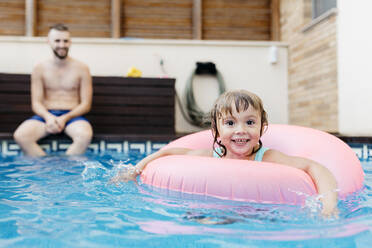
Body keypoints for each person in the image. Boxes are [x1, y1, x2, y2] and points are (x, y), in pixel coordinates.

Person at [113, 90, 338, 217]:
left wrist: (329, 207)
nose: (241, 130)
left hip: (258, 214)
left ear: (262, 127)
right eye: (230, 123)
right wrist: (135, 170)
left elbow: (315, 167)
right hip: (216, 210)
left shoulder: (266, 158)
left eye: (250, 122)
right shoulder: (214, 156)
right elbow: (169, 152)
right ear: (216, 130)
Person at [13, 23, 93, 156]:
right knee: (21, 136)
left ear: (70, 42)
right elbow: (36, 103)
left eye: (65, 41)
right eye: (57, 41)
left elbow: (86, 104)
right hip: (46, 115)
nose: (62, 45)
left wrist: (65, 118)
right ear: (48, 41)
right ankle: (46, 167)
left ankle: (66, 171)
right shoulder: (39, 68)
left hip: (72, 116)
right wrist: (49, 117)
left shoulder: (82, 68)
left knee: (84, 136)